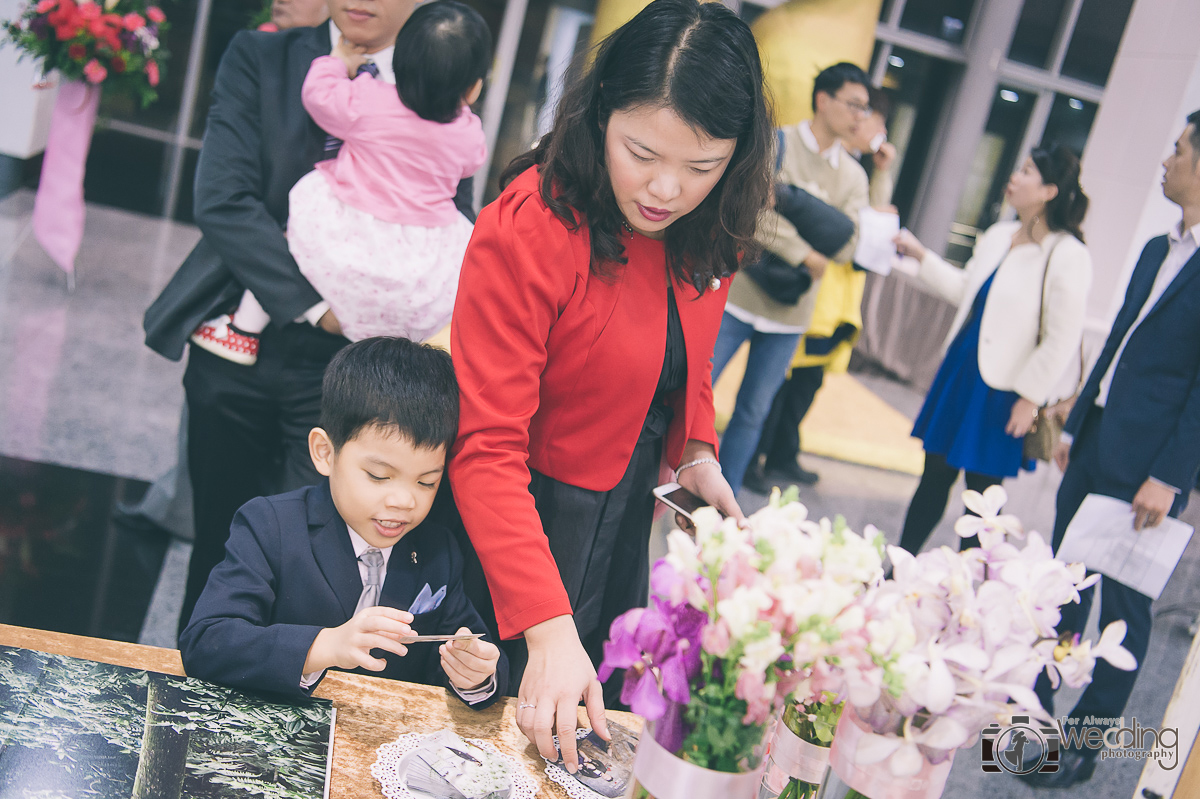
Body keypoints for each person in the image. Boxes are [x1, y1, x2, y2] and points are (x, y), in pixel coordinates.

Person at [447, 0, 773, 772]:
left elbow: (685, 350)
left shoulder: (710, 221)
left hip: (623, 511)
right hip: (519, 521)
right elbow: (485, 445)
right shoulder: (530, 225)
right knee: (491, 739)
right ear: (599, 116)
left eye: (701, 166)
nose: (666, 188)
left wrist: (696, 451)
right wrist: (546, 623)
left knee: (585, 742)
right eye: (641, 152)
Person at [142, 0, 477, 636]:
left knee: (318, 563)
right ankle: (198, 690)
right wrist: (320, 307)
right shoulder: (262, 58)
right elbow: (225, 198)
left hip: (346, 376)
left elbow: (437, 216)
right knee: (218, 550)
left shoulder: (436, 81)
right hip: (244, 349)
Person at [180, 337, 507, 703]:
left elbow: (463, 650)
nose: (403, 501)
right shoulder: (271, 526)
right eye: (379, 476)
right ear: (325, 453)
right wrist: (324, 645)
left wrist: (475, 676)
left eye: (426, 482)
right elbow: (207, 642)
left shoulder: (437, 550)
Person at [1025, 112, 1200, 790]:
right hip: (1096, 442)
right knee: (1064, 589)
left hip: (1147, 470)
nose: (1167, 158)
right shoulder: (1161, 247)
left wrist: (1169, 475)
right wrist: (1074, 424)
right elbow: (1122, 336)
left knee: (1124, 616)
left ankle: (1084, 747)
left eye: (1180, 149)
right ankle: (1030, 727)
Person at [191, 0, 490, 358]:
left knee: (299, 223)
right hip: (273, 306)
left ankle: (244, 327)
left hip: (360, 366)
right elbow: (221, 198)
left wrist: (333, 65)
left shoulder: (369, 97)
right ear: (474, 89)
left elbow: (320, 97)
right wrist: (319, 310)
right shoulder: (466, 126)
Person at [892, 145, 1092, 555]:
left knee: (983, 498)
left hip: (1005, 389)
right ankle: (900, 563)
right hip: (962, 369)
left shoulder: (1068, 254)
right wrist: (921, 256)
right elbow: (967, 291)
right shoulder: (1000, 235)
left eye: (1027, 172)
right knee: (933, 476)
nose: (1014, 177)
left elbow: (1062, 336)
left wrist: (1030, 399)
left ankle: (968, 592)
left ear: (1049, 191)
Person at [710, 62, 870, 495]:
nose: (861, 115)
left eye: (865, 107)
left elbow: (850, 245)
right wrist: (805, 252)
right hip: (740, 295)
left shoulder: (854, 176)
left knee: (752, 413)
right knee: (694, 391)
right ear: (824, 99)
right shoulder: (776, 143)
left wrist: (787, 206)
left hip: (791, 313)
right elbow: (748, 209)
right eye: (854, 104)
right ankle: (661, 480)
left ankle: (720, 506)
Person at [744, 85, 896, 494]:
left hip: (838, 284)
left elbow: (868, 232)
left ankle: (779, 454)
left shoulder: (855, 174)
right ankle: (756, 459)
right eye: (861, 114)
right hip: (810, 283)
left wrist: (883, 174)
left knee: (806, 380)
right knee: (781, 381)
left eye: (868, 116)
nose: (864, 124)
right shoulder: (819, 160)